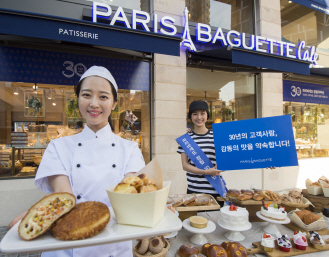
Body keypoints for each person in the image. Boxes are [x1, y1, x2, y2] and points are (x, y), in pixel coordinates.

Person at [8, 66, 145, 257]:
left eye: (103, 97)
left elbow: (129, 196)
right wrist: (40, 215)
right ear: (78, 98)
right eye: (87, 95)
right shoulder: (58, 147)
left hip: (112, 242)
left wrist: (155, 207)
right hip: (66, 245)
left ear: (114, 103)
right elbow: (65, 197)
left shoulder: (129, 149)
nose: (94, 103)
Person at [177, 100, 225, 206]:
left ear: (207, 115)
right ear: (191, 117)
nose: (199, 117)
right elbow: (185, 165)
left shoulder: (217, 137)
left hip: (215, 191)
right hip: (194, 192)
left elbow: (226, 159)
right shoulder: (185, 140)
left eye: (202, 113)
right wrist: (207, 172)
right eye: (195, 114)